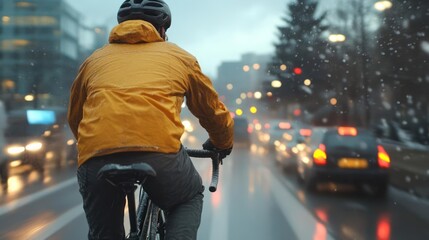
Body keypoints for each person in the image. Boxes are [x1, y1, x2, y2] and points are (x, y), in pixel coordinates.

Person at [67, 0, 234, 239]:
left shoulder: (94, 61)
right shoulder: (179, 57)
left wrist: (99, 146)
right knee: (186, 199)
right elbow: (211, 111)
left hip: (97, 154)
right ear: (163, 30)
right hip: (159, 151)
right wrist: (222, 142)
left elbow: (76, 115)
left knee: (103, 233)